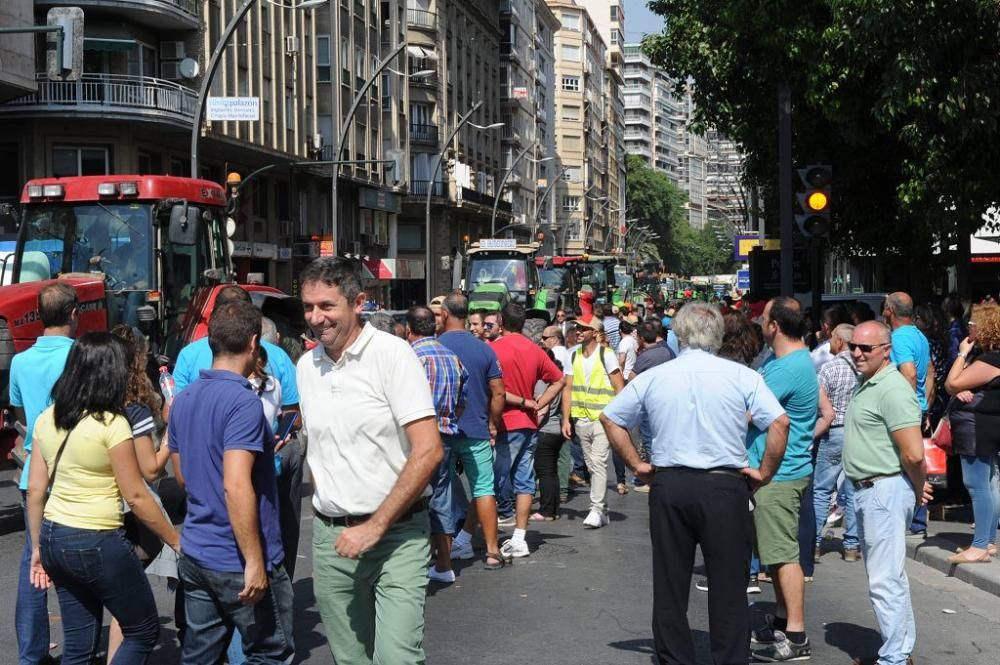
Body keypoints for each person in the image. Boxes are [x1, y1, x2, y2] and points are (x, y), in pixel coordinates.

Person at [600, 301, 790, 665]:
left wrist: (639, 465)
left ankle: (674, 659)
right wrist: (764, 473)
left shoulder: (657, 376)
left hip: (670, 484)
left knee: (670, 583)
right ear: (717, 336)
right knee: (729, 585)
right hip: (724, 485)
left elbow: (611, 418)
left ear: (680, 334)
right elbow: (779, 424)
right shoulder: (742, 376)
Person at [296, 258, 442, 665]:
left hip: (397, 534)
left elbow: (429, 449)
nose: (315, 318)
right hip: (332, 540)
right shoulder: (307, 367)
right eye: (308, 307)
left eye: (327, 306)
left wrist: (376, 525)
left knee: (397, 658)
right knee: (351, 659)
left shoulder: (393, 355)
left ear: (358, 302)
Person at [27, 332, 181, 665]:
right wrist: (176, 541)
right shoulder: (113, 424)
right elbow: (137, 496)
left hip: (54, 536)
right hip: (97, 538)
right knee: (142, 630)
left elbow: (37, 491)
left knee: (79, 646)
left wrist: (38, 548)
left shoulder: (48, 418)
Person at [168, 301, 293, 664]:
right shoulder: (244, 403)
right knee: (269, 652)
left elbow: (183, 476)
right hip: (235, 557)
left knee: (201, 655)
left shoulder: (184, 399)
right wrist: (255, 561)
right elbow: (236, 485)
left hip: (197, 549)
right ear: (255, 343)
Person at [843, 320, 932, 665]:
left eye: (866, 348)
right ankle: (899, 651)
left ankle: (893, 658)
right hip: (873, 489)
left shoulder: (892, 388)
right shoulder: (869, 382)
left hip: (883, 489)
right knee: (889, 577)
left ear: (886, 350)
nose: (857, 353)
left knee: (883, 580)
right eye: (854, 346)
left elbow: (912, 453)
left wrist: (918, 484)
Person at [747, 297, 818, 662]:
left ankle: (796, 635)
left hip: (779, 474)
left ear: (774, 326)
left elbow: (748, 412)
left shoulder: (787, 367)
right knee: (774, 554)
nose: (759, 322)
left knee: (784, 555)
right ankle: (779, 620)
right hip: (781, 471)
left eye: (762, 318)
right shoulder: (785, 361)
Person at [11, 282, 78, 665]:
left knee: (31, 561)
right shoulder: (81, 356)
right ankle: (79, 646)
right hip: (71, 470)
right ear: (73, 314)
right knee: (75, 562)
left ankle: (31, 653)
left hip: (32, 475)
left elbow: (23, 421)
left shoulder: (21, 361)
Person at [108, 324, 174, 662]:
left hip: (100, 508)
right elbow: (150, 468)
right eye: (145, 352)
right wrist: (169, 435)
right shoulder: (135, 408)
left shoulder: (98, 400)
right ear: (136, 359)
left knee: (118, 610)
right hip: (130, 511)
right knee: (137, 619)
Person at [437, 293, 506, 570]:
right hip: (476, 429)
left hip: (441, 431)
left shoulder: (435, 347)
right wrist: (492, 423)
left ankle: (441, 551)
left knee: (439, 489)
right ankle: (492, 551)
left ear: (444, 314)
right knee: (483, 488)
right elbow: (498, 392)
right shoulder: (485, 349)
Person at [491, 302, 565, 557]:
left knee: (491, 481)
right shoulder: (534, 350)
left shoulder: (494, 349)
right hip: (528, 424)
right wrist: (538, 404)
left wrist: (532, 403)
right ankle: (520, 536)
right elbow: (559, 380)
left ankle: (488, 532)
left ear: (501, 320)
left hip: (504, 424)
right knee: (523, 481)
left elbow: (495, 391)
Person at [406, 305, 469, 583]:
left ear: (409, 330)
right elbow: (462, 399)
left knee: (411, 499)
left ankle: (412, 563)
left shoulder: (411, 357)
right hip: (444, 436)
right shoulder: (451, 357)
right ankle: (444, 564)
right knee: (441, 498)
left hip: (416, 438)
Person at [943, 304, 1000, 563]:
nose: (969, 327)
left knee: (978, 486)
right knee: (989, 484)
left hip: (977, 429)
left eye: (973, 324)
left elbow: (951, 383)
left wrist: (962, 354)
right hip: (986, 427)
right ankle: (987, 542)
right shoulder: (991, 358)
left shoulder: (989, 359)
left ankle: (979, 545)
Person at [561, 316, 625, 523]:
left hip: (602, 418)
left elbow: (619, 387)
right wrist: (566, 419)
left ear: (594, 333)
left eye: (582, 328)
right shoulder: (573, 356)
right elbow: (568, 389)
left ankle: (596, 509)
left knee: (598, 463)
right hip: (581, 419)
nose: (577, 331)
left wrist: (616, 417)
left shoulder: (607, 355)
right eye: (576, 328)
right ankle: (603, 511)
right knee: (591, 465)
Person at [883, 292, 934, 536]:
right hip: (920, 407)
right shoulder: (919, 336)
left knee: (904, 462)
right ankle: (917, 519)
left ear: (889, 311)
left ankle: (911, 519)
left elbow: (910, 373)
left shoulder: (900, 337)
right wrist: (925, 404)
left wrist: (907, 406)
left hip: (908, 410)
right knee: (915, 460)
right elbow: (931, 372)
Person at [812, 323, 861, 562]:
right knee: (853, 489)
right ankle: (852, 547)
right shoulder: (863, 369)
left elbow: (817, 402)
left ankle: (815, 542)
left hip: (833, 432)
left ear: (840, 341)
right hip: (856, 433)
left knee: (822, 488)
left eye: (832, 338)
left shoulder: (829, 368)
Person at [532, 348, 566, 520]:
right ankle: (552, 509)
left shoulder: (542, 382)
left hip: (545, 431)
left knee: (544, 472)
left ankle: (545, 510)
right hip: (556, 430)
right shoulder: (558, 378)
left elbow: (542, 409)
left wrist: (533, 426)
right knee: (551, 471)